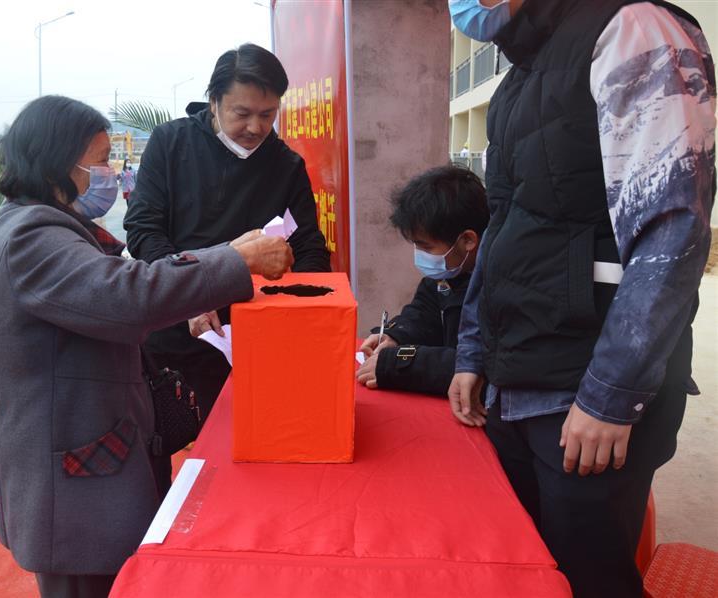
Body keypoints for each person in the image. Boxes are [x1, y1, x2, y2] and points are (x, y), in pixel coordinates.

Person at [447, 1, 715, 596]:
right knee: (523, 572)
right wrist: (472, 352)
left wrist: (610, 395)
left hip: (584, 393)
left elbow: (672, 230)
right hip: (516, 376)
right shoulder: (520, 73)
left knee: (590, 579)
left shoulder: (631, 28)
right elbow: (500, 226)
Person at [0, 95, 293, 598]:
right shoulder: (31, 237)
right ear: (60, 162)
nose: (109, 174)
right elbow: (127, 296)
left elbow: (116, 293)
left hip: (93, 461)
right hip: (73, 488)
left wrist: (219, 266)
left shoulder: (45, 226)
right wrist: (238, 261)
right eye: (101, 160)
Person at [124, 42, 331, 425]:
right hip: (175, 330)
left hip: (255, 334)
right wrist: (186, 297)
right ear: (214, 101)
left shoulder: (285, 165)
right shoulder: (170, 144)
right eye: (242, 114)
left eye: (267, 115)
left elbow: (308, 246)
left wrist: (307, 314)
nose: (255, 128)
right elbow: (143, 230)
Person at [356, 166, 488, 396]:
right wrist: (395, 337)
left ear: (468, 240)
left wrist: (399, 364)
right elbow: (424, 314)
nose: (419, 255)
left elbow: (478, 361)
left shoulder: (500, 283)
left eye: (426, 246)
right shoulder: (449, 274)